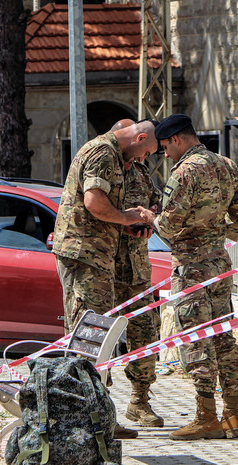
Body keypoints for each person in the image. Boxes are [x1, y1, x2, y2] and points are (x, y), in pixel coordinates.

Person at [140, 114, 238, 441]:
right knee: (224, 337)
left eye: (164, 148)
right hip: (219, 262)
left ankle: (207, 417)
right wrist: (214, 234)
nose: (164, 155)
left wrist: (150, 217)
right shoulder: (227, 164)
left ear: (175, 139)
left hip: (191, 267)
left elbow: (169, 225)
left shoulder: (185, 171)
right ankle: (233, 415)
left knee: (196, 338)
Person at [53, 119, 159, 439]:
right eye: (147, 151)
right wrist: (126, 217)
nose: (144, 159)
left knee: (97, 335)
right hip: (87, 254)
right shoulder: (103, 152)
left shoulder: (123, 159)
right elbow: (94, 202)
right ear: (138, 138)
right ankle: (90, 419)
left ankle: (100, 415)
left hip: (103, 258)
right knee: (89, 337)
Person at [110, 119, 165, 428]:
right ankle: (100, 406)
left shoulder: (141, 171)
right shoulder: (104, 164)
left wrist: (152, 214)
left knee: (145, 333)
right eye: (141, 151)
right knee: (100, 337)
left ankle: (139, 401)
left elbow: (154, 200)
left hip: (138, 268)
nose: (143, 157)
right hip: (106, 266)